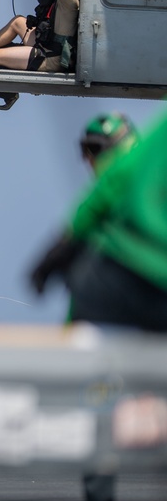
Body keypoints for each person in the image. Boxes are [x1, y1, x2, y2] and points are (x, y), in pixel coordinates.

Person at [30, 106, 167, 333]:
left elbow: (118, 177)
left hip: (143, 269)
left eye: (97, 149)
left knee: (88, 287)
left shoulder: (133, 169)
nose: (92, 162)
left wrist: (67, 241)